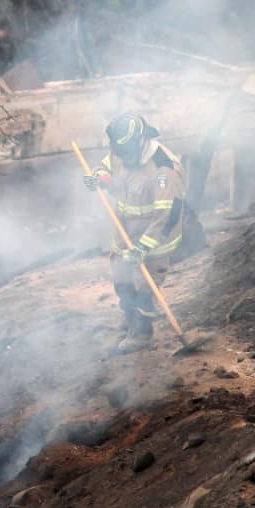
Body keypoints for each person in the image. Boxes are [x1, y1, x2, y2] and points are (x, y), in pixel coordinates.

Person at [83, 114, 186, 353]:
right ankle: (129, 319)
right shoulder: (121, 151)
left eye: (127, 153)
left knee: (145, 290)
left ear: (141, 141)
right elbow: (107, 166)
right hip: (124, 233)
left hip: (154, 242)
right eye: (120, 153)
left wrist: (143, 248)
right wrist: (99, 178)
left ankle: (142, 334)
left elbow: (167, 218)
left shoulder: (164, 171)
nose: (124, 158)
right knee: (122, 282)